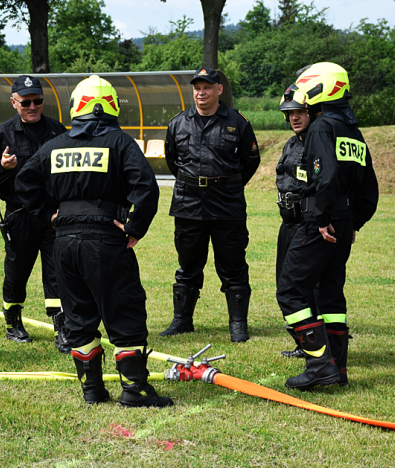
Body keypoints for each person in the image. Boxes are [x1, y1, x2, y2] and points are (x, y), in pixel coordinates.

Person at [15, 75, 172, 408]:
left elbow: (25, 180)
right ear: (112, 105)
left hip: (65, 241)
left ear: (76, 107)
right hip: (105, 238)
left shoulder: (55, 145)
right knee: (123, 309)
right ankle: (134, 390)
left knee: (78, 315)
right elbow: (146, 188)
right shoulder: (119, 142)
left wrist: (49, 216)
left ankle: (92, 390)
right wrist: (134, 227)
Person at [277, 63, 378, 390]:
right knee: (331, 295)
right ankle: (339, 368)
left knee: (291, 290)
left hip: (320, 221)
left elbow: (325, 175)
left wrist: (321, 219)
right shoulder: (354, 133)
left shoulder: (322, 127)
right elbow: (369, 190)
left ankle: (319, 364)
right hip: (345, 221)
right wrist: (352, 222)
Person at [160, 66, 260, 343]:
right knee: (188, 264)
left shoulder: (238, 122)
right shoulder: (178, 123)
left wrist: (228, 184)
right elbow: (172, 160)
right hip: (188, 202)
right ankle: (182, 320)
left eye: (207, 87)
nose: (201, 92)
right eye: (197, 87)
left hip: (227, 203)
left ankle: (238, 324)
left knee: (233, 264)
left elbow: (251, 161)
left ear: (219, 90)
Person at [0, 75, 69, 352]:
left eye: (38, 101)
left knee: (59, 272)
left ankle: (62, 327)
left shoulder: (58, 131)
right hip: (20, 215)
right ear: (14, 103)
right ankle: (13, 321)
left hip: (53, 215)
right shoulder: (4, 133)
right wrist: (3, 168)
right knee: (17, 271)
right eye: (26, 102)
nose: (33, 106)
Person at [274, 84, 321, 358]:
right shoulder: (291, 143)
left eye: (299, 111)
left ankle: (317, 345)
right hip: (288, 223)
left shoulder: (318, 142)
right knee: (284, 282)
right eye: (289, 112)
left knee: (307, 287)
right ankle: (303, 341)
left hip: (308, 223)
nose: (294, 117)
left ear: (311, 112)